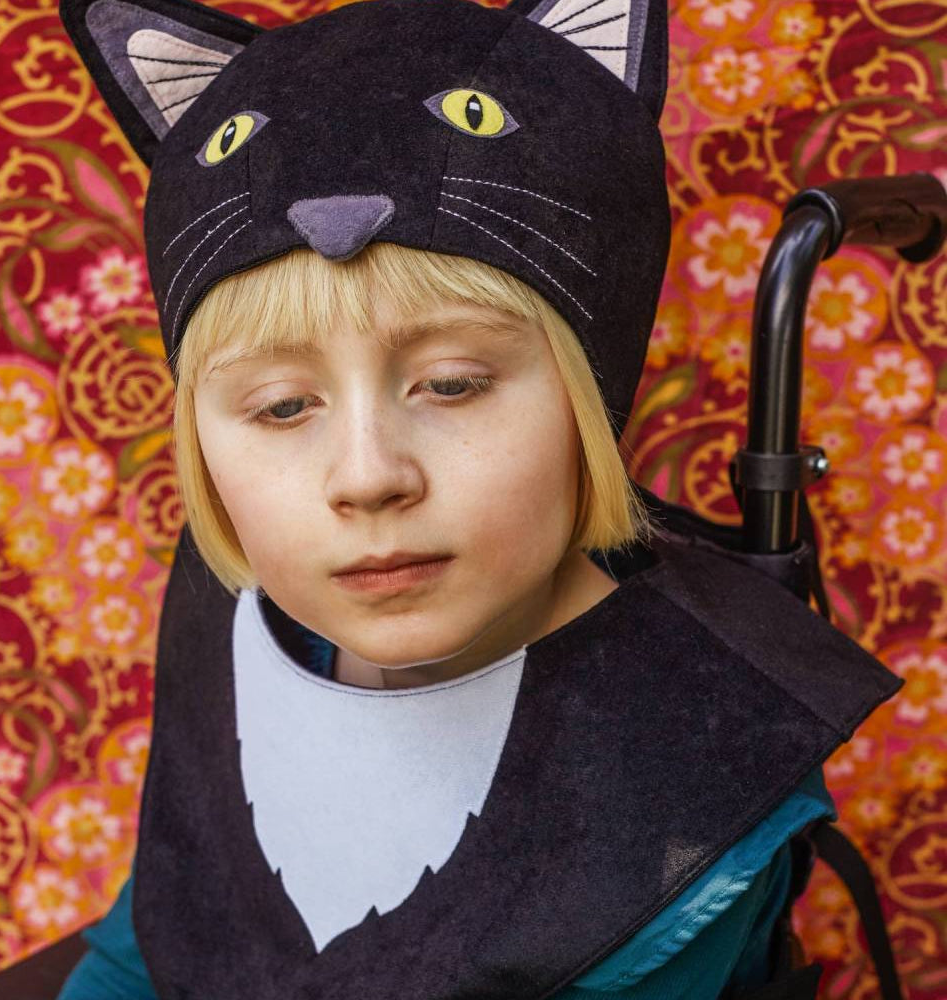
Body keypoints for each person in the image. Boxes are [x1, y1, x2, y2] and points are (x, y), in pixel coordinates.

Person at [55, 0, 902, 996]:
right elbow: (158, 938)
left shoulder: (689, 785)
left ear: (586, 397)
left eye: (451, 385)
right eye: (284, 406)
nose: (367, 475)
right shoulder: (234, 632)